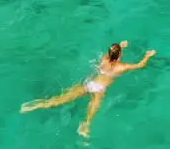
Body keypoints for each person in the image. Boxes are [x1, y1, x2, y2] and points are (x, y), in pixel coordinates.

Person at [20, 40, 157, 138]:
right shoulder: (122, 67)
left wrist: (121, 45)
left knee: (60, 99)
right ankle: (85, 126)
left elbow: (113, 55)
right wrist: (148, 56)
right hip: (100, 90)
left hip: (90, 83)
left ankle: (36, 105)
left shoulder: (104, 58)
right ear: (120, 56)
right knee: (91, 114)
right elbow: (140, 65)